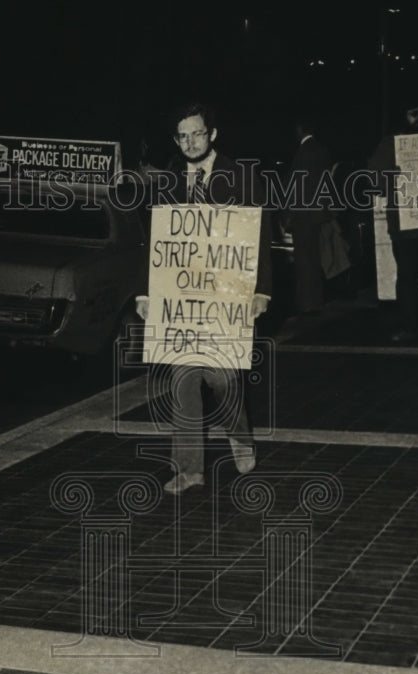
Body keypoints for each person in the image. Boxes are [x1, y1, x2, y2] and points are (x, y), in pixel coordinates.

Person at [135, 103, 272, 494]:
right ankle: (190, 469)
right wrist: (148, 293)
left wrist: (260, 291)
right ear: (176, 140)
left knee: (223, 378)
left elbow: (258, 236)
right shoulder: (168, 179)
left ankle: (240, 437)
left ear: (212, 134)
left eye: (197, 133)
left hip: (226, 298)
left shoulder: (240, 176)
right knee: (184, 381)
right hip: (182, 300)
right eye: (183, 136)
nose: (190, 142)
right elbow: (158, 243)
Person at [368, 99, 418, 345]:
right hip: (404, 226)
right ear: (402, 116)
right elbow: (374, 178)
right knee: (406, 276)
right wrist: (393, 176)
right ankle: (408, 326)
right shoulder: (389, 144)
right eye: (413, 113)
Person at [288, 115, 332, 315]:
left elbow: (296, 186)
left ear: (300, 130)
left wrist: (288, 211)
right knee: (314, 258)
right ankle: (316, 300)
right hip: (317, 212)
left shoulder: (303, 152)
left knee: (304, 260)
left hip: (303, 214)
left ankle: (307, 302)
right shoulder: (322, 150)